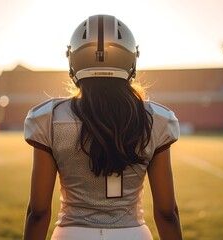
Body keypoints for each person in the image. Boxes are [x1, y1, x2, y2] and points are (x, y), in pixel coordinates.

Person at [23, 14, 182, 240]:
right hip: (133, 233)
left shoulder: (50, 117)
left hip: (71, 234)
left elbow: (38, 211)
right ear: (131, 59)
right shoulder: (155, 118)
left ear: (73, 59)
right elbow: (167, 212)